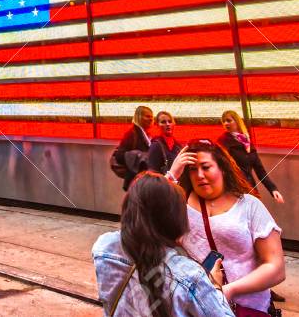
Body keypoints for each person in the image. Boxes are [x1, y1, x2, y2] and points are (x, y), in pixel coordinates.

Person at [92, 172, 233, 317]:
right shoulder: (189, 276)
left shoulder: (104, 247)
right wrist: (216, 287)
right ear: (175, 220)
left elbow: (149, 199)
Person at [175, 140, 286, 315]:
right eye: (192, 169)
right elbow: (144, 224)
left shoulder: (249, 206)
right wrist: (172, 174)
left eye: (206, 167)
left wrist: (229, 290)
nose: (199, 175)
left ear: (223, 169)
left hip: (248, 308)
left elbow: (276, 268)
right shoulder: (179, 207)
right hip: (200, 308)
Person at [218, 111, 284, 204]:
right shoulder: (223, 142)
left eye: (229, 120)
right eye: (223, 121)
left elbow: (260, 171)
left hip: (250, 189)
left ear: (237, 121)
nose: (225, 124)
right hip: (234, 191)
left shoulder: (247, 141)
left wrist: (273, 189)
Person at [112, 106, 153, 191]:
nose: (151, 119)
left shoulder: (148, 135)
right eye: (147, 116)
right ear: (139, 117)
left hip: (144, 181)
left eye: (152, 117)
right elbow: (119, 156)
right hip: (135, 181)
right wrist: (137, 155)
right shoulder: (132, 134)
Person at [147, 111, 183, 175]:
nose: (168, 124)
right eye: (163, 122)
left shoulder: (178, 147)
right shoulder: (155, 146)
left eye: (170, 121)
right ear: (157, 125)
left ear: (174, 124)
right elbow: (152, 173)